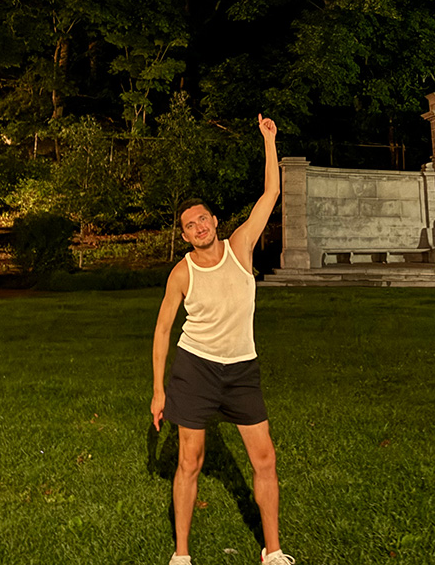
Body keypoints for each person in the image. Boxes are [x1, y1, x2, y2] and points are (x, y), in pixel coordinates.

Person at [151, 114, 293, 565]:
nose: (198, 228)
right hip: (195, 369)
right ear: (185, 235)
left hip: (242, 368)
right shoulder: (182, 272)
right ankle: (182, 555)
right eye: (189, 226)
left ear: (214, 220)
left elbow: (271, 194)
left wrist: (268, 141)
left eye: (202, 219)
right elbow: (162, 331)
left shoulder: (240, 247)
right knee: (189, 461)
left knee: (264, 458)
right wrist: (159, 389)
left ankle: (273, 551)